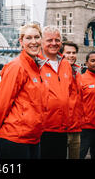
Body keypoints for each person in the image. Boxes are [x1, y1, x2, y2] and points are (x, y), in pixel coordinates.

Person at [0, 23, 46, 159]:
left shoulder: (37, 67)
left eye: (37, 37)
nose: (34, 42)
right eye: (28, 38)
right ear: (21, 42)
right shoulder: (17, 66)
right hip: (14, 137)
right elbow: (1, 104)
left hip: (32, 137)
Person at [39, 26, 73, 159]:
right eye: (49, 40)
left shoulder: (65, 64)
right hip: (42, 129)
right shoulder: (35, 63)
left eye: (57, 40)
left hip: (62, 127)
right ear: (42, 42)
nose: (54, 43)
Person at [60, 41, 83, 159]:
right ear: (61, 54)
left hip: (76, 128)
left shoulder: (78, 74)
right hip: (61, 129)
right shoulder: (57, 73)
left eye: (74, 53)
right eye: (68, 52)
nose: (71, 55)